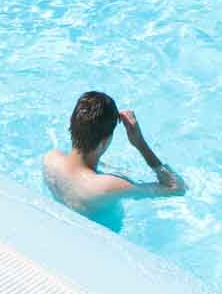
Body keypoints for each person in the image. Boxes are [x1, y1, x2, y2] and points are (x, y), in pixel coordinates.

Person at [42, 91, 184, 226]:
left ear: (71, 123)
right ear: (104, 142)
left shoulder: (51, 160)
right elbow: (176, 188)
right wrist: (140, 143)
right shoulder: (108, 186)